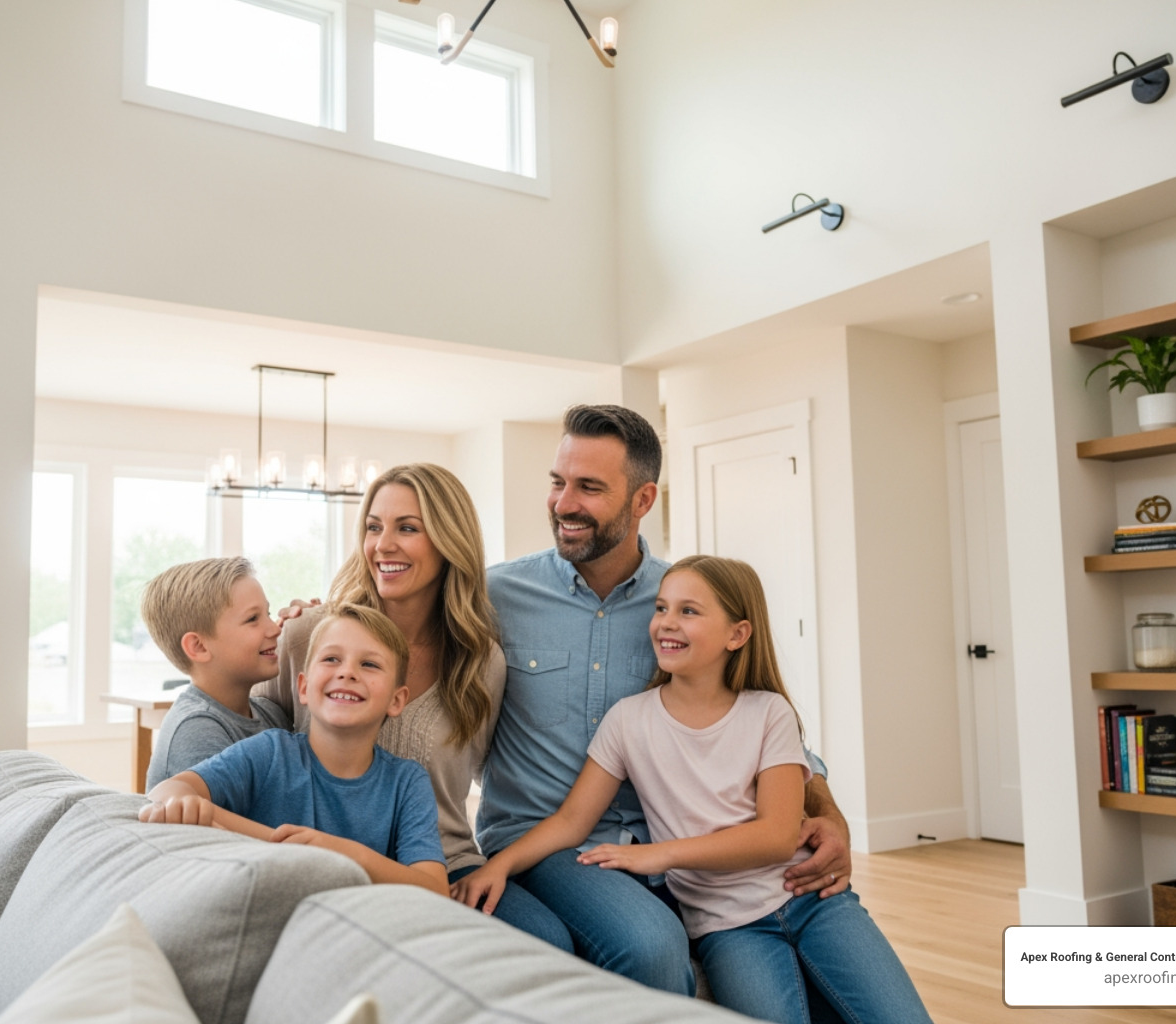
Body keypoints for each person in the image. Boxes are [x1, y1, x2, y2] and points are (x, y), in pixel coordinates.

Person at [455, 557, 930, 1024]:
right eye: (661, 608)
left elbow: (778, 836)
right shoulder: (628, 721)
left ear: (737, 635)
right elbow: (570, 821)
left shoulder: (770, 713)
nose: (666, 622)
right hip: (728, 930)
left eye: (688, 611)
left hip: (814, 902)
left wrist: (658, 855)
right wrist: (499, 865)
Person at [478, 404, 852, 994]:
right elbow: (402, 641)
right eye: (557, 482)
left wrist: (829, 815)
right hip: (542, 837)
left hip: (666, 843)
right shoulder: (496, 594)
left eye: (589, 487)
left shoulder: (680, 603)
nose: (563, 503)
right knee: (650, 946)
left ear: (643, 499)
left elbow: (757, 718)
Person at [253, 464, 572, 948]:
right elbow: (249, 744)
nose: (383, 545)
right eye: (373, 527)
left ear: (448, 541)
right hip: (327, 858)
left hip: (442, 865)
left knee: (547, 942)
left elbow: (480, 773)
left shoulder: (480, 661)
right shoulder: (307, 635)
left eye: (407, 528)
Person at [139, 603, 448, 894]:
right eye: (331, 659)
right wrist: (295, 847)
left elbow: (435, 888)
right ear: (303, 687)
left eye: (369, 664)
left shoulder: (408, 782)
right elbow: (166, 791)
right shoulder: (269, 752)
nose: (347, 672)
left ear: (396, 700)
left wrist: (344, 853)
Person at [142, 557, 291, 790]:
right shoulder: (196, 730)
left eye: (268, 613)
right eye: (253, 618)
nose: (274, 629)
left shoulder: (271, 713)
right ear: (199, 647)